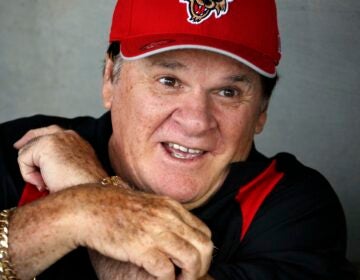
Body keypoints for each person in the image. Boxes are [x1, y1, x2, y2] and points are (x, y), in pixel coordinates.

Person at [0, 0, 357, 279]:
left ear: (261, 110)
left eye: (228, 91)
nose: (196, 121)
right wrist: (69, 215)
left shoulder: (291, 208)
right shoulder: (24, 152)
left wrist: (93, 199)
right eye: (169, 81)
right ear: (110, 79)